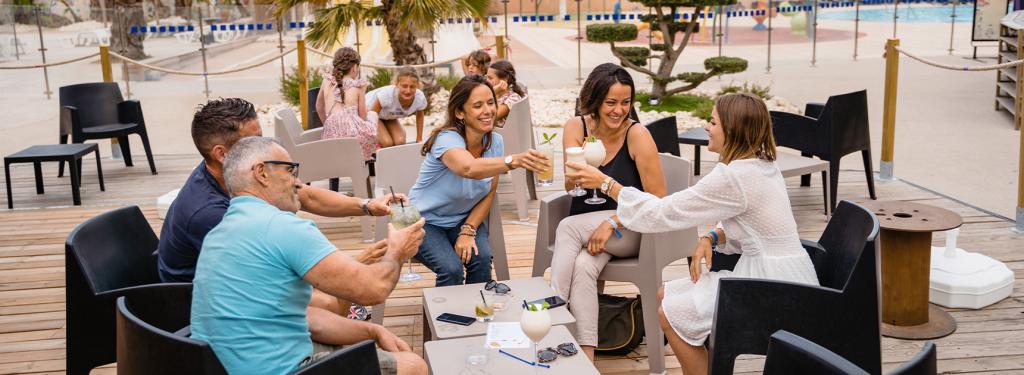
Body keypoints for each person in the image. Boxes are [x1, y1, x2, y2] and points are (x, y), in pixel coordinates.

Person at [566, 93, 819, 374]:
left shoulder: (733, 176)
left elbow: (663, 213)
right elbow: (758, 226)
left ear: (732, 130)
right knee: (666, 295)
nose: (707, 128)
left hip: (771, 288)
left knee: (670, 312)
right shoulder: (761, 164)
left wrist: (606, 184)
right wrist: (711, 237)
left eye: (712, 122)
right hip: (792, 277)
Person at [156, 98, 399, 338]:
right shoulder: (211, 214)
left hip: (241, 288)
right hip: (214, 315)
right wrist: (355, 267)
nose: (262, 146)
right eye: (252, 142)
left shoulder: (234, 175)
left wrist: (368, 205)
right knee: (331, 305)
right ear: (221, 154)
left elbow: (306, 196)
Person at [190, 136, 428, 375]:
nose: (298, 182)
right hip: (282, 370)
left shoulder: (218, 234)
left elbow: (307, 317)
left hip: (222, 368)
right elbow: (373, 288)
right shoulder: (281, 227)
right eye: (291, 171)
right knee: (414, 366)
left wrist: (373, 331)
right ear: (261, 173)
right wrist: (397, 251)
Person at [549, 63, 666, 360]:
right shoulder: (577, 127)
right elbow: (569, 184)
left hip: (631, 230)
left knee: (566, 227)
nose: (619, 110)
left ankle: (551, 314)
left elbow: (658, 198)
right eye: (611, 102)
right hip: (591, 229)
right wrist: (578, 170)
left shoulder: (637, 135)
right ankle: (587, 354)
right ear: (595, 100)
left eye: (625, 103)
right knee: (584, 267)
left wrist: (612, 220)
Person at [408, 74, 549, 286]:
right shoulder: (446, 140)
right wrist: (515, 160)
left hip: (462, 219)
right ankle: (447, 319)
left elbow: (489, 190)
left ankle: (480, 314)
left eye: (491, 103)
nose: (488, 111)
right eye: (477, 105)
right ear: (460, 112)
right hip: (423, 221)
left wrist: (469, 229)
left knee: (480, 260)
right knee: (451, 269)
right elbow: (468, 168)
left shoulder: (495, 142)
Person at [317, 47, 378, 161]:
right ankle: (367, 155)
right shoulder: (358, 86)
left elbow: (319, 107)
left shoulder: (327, 81)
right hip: (353, 138)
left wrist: (327, 124)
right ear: (355, 67)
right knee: (373, 115)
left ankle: (337, 174)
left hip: (330, 136)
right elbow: (363, 116)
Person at [366, 66, 428, 145]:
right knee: (387, 142)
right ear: (397, 84)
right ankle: (377, 152)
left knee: (400, 141)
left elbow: (419, 116)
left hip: (388, 116)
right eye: (404, 86)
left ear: (417, 86)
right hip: (370, 112)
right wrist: (371, 139)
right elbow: (373, 116)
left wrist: (419, 139)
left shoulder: (419, 97)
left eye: (412, 87)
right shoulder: (387, 94)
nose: (408, 91)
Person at [485, 60, 525, 128]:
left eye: (490, 78)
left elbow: (490, 118)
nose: (486, 81)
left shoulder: (513, 98)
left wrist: (493, 92)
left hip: (499, 135)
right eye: (486, 77)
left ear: (504, 79)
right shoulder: (495, 94)